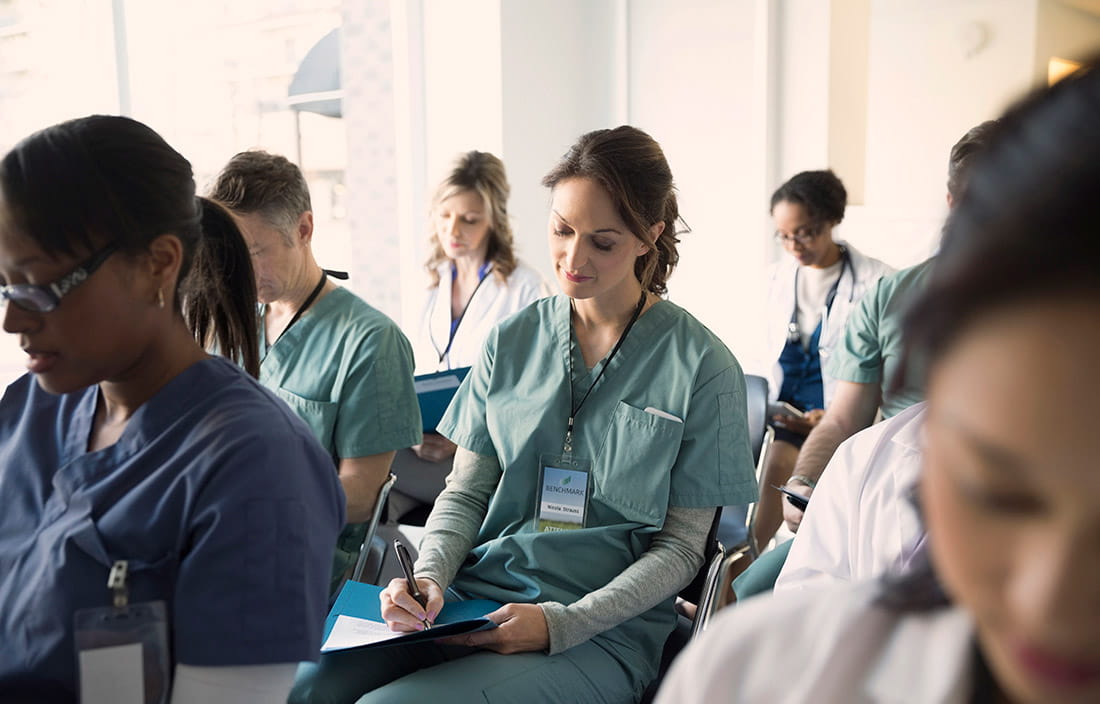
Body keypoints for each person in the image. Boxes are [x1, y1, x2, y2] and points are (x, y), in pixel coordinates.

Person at [658, 62, 1100, 704]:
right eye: (1000, 492)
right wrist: (803, 490)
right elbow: (844, 419)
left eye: (804, 232)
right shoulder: (754, 674)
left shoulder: (874, 284)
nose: (1051, 603)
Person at [289, 125, 757, 703]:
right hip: (473, 603)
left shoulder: (704, 367)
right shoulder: (510, 342)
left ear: (649, 237)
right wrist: (429, 577)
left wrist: (563, 623)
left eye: (603, 241)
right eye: (562, 229)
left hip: (599, 631)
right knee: (303, 688)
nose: (573, 257)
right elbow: (464, 493)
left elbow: (684, 549)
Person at [0, 115, 344, 702]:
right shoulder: (30, 408)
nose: (13, 321)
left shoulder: (256, 467)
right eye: (7, 288)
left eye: (40, 288)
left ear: (158, 264)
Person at [209, 151, 422, 593]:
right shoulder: (233, 322)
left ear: (303, 229)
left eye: (253, 252)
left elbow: (361, 498)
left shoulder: (369, 341)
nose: (238, 272)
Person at [780, 119, 1000, 536]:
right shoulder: (889, 297)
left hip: (997, 506)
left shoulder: (1064, 309)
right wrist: (805, 481)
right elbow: (843, 420)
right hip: (893, 495)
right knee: (758, 585)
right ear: (953, 202)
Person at [391, 150, 550, 520]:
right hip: (422, 447)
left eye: (469, 219)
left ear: (494, 220)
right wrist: (412, 429)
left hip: (485, 454)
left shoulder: (526, 290)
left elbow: (537, 397)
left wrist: (463, 437)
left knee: (370, 476)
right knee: (367, 495)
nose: (453, 230)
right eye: (445, 216)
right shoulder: (428, 282)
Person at [750, 170, 892, 550]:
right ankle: (730, 577)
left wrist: (826, 416)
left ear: (832, 220)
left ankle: (734, 583)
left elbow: (884, 379)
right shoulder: (774, 280)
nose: (794, 245)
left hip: (844, 419)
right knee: (769, 465)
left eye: (806, 232)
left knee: (787, 474)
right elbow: (762, 360)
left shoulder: (878, 284)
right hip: (784, 417)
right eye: (784, 236)